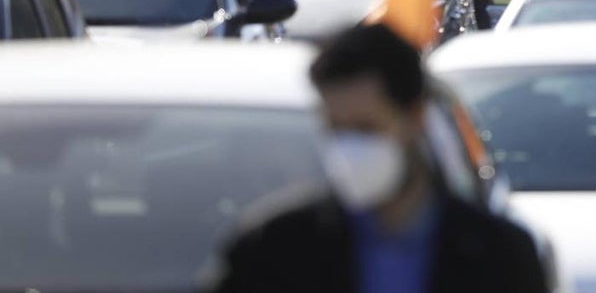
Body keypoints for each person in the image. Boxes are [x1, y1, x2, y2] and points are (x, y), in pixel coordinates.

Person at [205, 22, 549, 293]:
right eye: (336, 129)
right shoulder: (272, 250)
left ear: (413, 118)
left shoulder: (501, 255)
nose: (349, 147)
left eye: (366, 128)